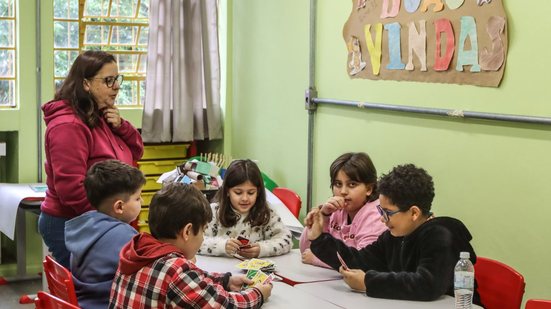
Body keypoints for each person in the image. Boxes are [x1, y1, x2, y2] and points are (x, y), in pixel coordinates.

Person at [306, 164, 482, 304]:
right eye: (380, 211)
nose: (382, 219)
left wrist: (368, 282)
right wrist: (318, 238)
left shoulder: (442, 235)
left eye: (387, 213)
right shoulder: (393, 236)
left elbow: (427, 284)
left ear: (414, 213)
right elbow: (358, 260)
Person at [39, 50, 143, 268]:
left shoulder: (99, 113)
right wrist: (111, 218)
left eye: (117, 79)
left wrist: (122, 126)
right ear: (86, 84)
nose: (116, 86)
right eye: (108, 81)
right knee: (94, 290)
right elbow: (72, 190)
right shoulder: (68, 125)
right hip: (72, 221)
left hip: (103, 218)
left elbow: (136, 152)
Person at [109, 183, 272, 308]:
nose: (202, 238)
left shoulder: (138, 250)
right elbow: (225, 305)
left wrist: (225, 281)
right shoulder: (175, 271)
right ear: (187, 231)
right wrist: (258, 294)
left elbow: (193, 278)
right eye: (202, 231)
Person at [64, 160, 145, 309]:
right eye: (138, 198)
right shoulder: (126, 236)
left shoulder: (84, 225)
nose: (142, 201)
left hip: (83, 302)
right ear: (119, 206)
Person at [300, 152, 387, 268]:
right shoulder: (335, 210)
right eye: (338, 184)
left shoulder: (376, 216)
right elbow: (305, 250)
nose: (343, 191)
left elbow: (362, 263)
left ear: (369, 189)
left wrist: (318, 258)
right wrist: (323, 216)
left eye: (352, 184)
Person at [198, 159, 292, 258]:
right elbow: (194, 241)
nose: (245, 198)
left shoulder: (266, 212)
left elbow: (285, 240)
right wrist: (222, 246)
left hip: (255, 271)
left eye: (251, 193)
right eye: (238, 192)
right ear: (227, 191)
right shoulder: (214, 212)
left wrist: (262, 249)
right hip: (220, 271)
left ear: (258, 192)